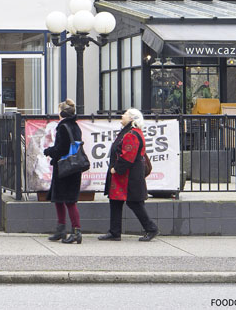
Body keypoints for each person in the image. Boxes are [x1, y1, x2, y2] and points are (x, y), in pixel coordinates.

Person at [98, 108, 159, 242]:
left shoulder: (131, 134)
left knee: (135, 203)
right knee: (115, 202)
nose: (122, 115)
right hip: (123, 177)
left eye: (125, 114)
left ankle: (151, 228)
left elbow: (128, 157)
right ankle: (114, 232)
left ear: (131, 119)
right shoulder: (128, 132)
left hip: (128, 177)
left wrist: (116, 169)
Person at [43, 99, 83, 244]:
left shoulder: (63, 127)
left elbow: (61, 148)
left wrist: (48, 151)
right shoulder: (75, 126)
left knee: (68, 201)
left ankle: (75, 231)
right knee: (60, 199)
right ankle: (61, 230)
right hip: (73, 167)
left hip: (65, 168)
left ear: (61, 113)